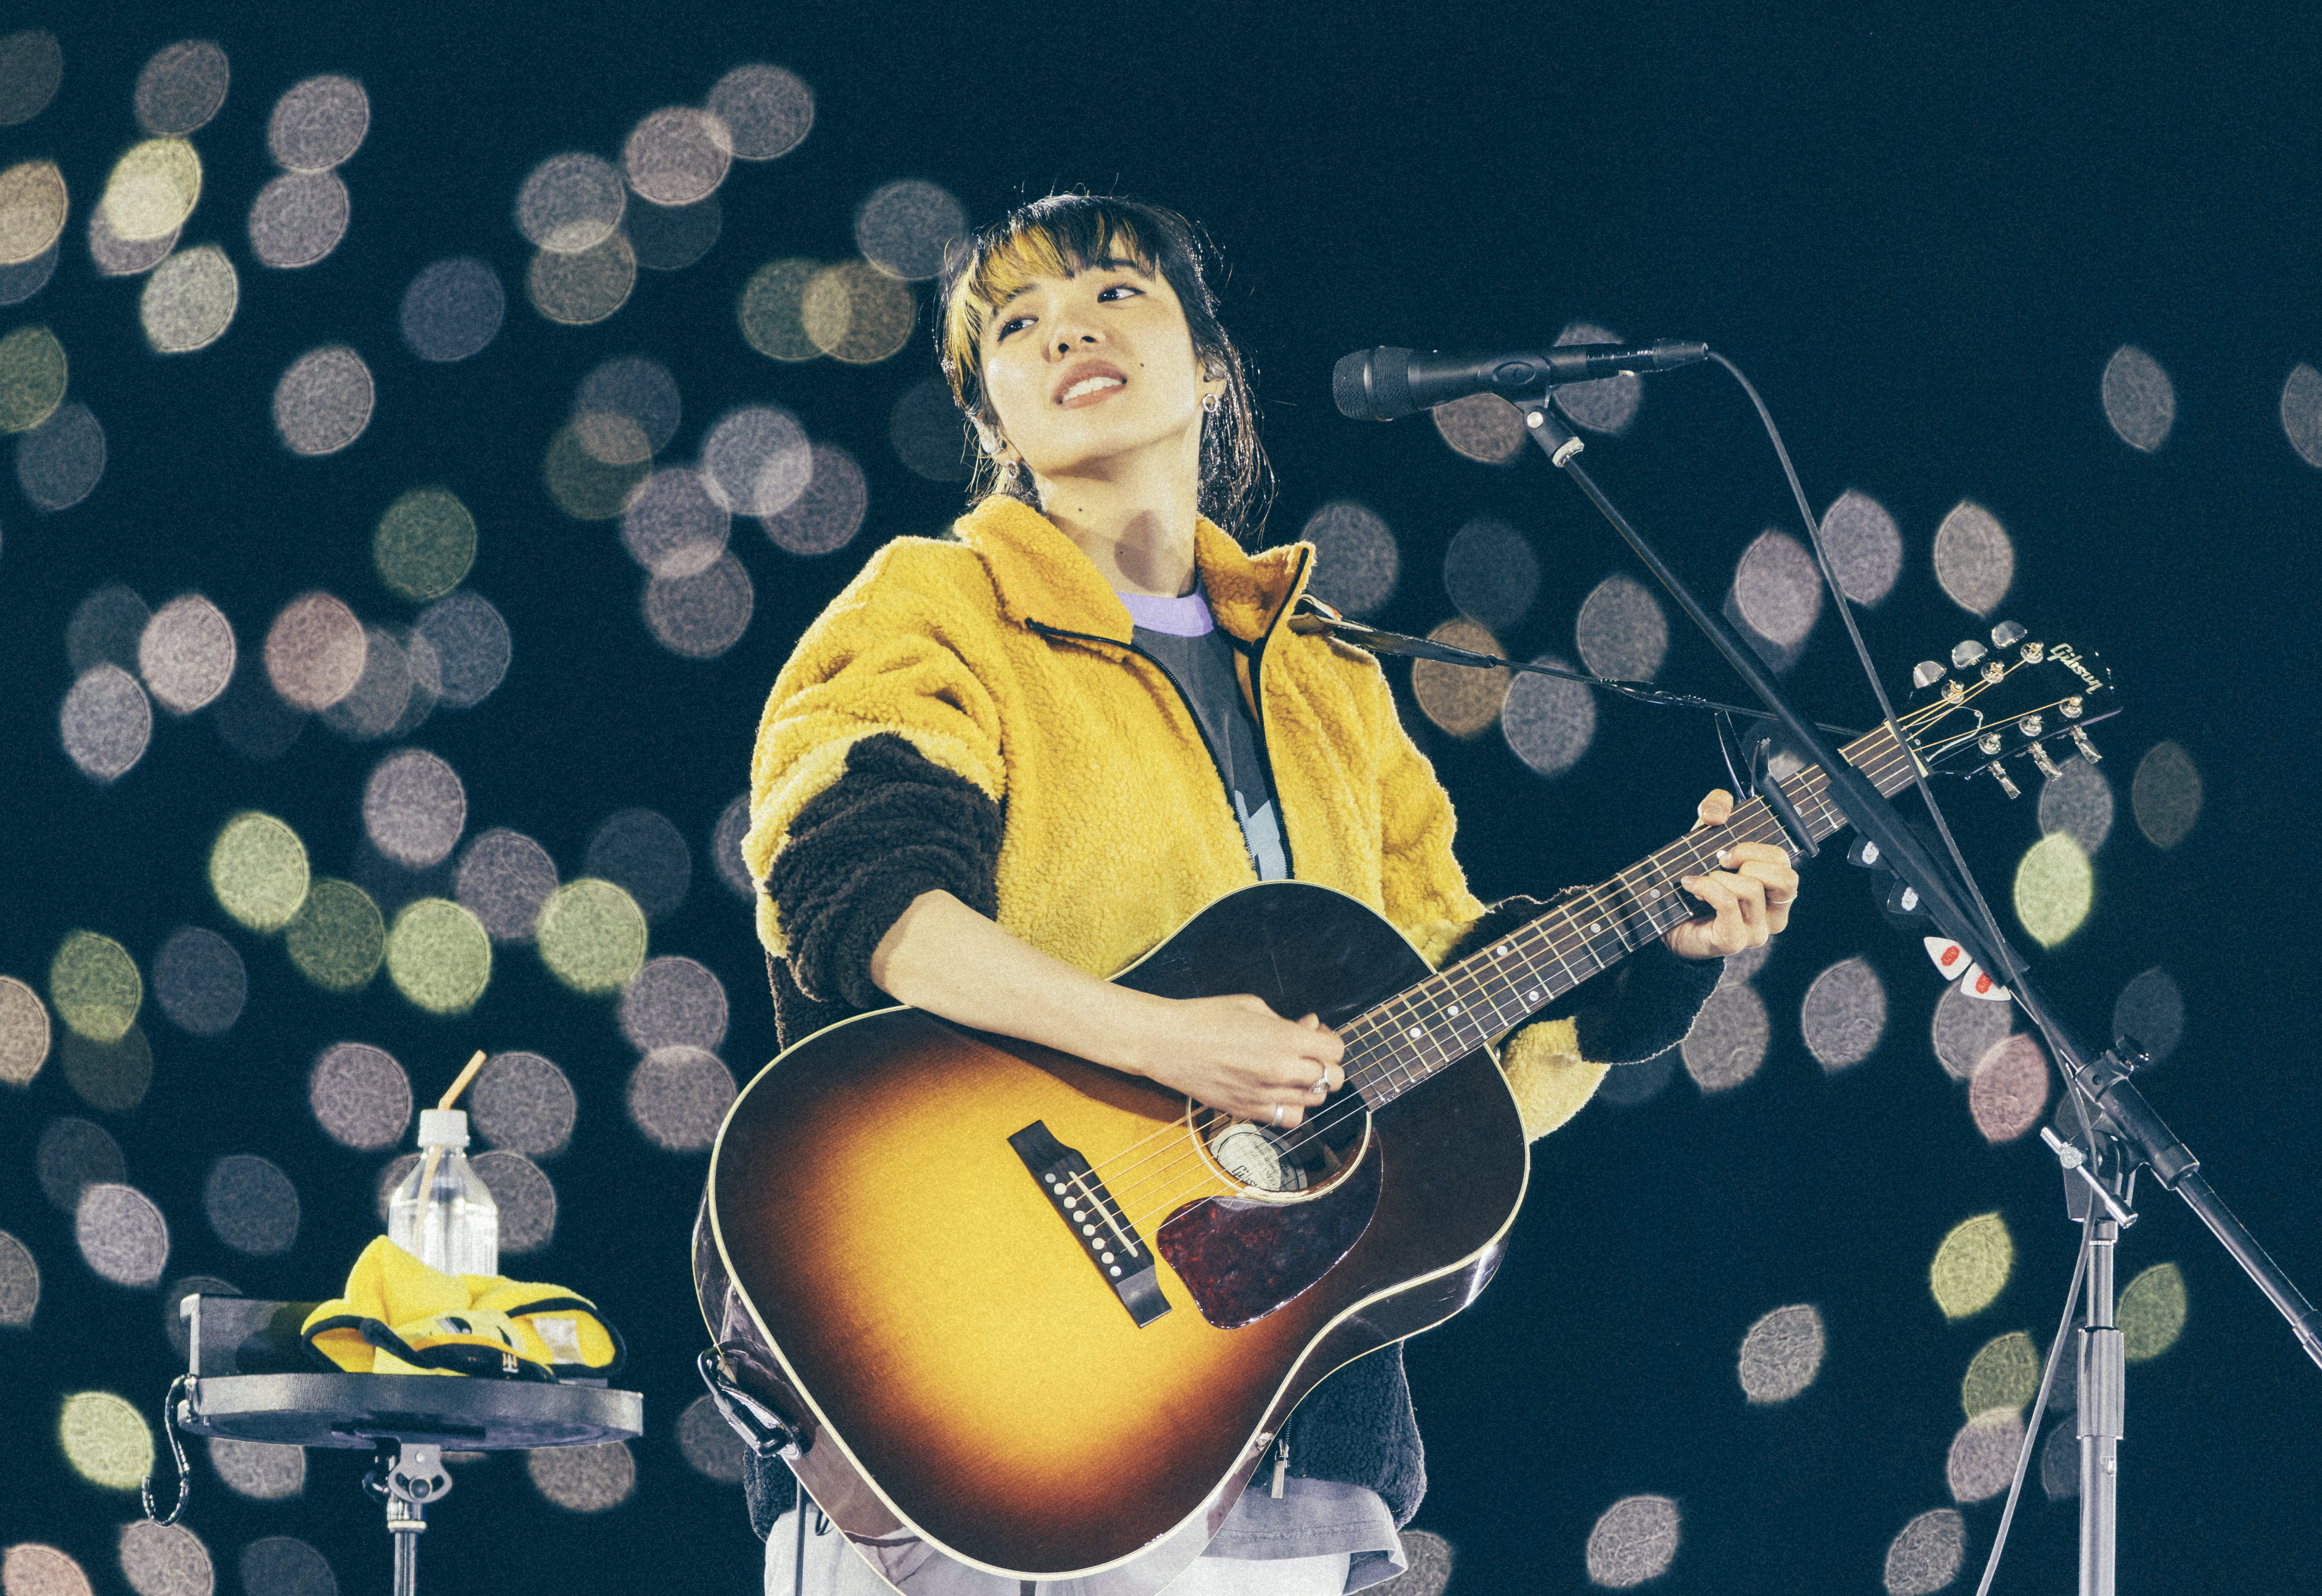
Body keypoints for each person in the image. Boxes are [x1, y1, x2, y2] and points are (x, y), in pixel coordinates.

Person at [737, 194, 1799, 1595]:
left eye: (1116, 293)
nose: (1066, 329)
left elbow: (1447, 1038)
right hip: (965, 1397)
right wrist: (1166, 1042)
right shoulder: (931, 607)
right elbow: (852, 899)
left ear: (1212, 367)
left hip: (1275, 1442)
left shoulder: (1333, 681)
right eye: (1015, 322)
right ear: (992, 407)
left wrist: (1658, 964)